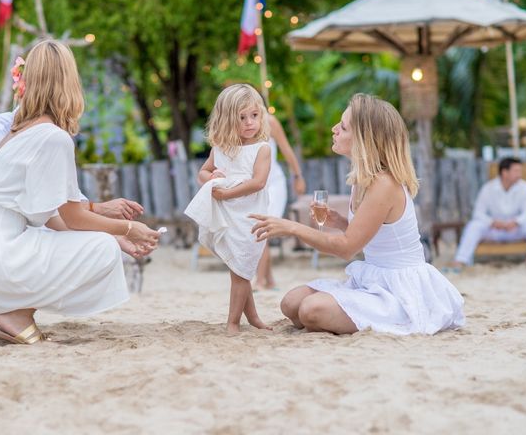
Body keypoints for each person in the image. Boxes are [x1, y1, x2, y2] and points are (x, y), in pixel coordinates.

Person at [0, 40, 160, 344]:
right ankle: (14, 313)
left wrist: (117, 237)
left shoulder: (16, 130)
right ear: (68, 82)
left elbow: (52, 218)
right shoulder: (52, 137)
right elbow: (72, 216)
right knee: (101, 252)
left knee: (101, 242)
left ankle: (0, 306)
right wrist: (128, 228)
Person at [250, 94, 465, 335]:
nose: (334, 129)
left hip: (400, 288)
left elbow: (346, 248)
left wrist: (292, 227)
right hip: (373, 278)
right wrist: (341, 222)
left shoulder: (384, 184)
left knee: (311, 310)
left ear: (364, 140)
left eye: (342, 127)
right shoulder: (361, 180)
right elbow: (369, 235)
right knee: (290, 303)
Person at [0, 109, 148, 258]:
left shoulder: (43, 134)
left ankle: (2, 306)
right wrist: (120, 225)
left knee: (97, 243)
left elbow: (56, 206)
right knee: (94, 249)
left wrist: (113, 234)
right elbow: (49, 205)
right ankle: (2, 303)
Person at [185, 84, 271, 334]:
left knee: (241, 268)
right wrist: (212, 179)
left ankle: (234, 321)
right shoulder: (221, 148)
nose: (249, 123)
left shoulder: (262, 148)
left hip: (249, 215)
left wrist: (226, 193)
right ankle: (249, 318)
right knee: (239, 269)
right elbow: (203, 172)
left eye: (254, 116)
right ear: (226, 119)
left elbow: (258, 182)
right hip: (226, 216)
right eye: (241, 117)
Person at [450, 157, 526, 268]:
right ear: (505, 172)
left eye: (520, 171)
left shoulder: (525, 187)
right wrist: (493, 222)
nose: (520, 174)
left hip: (515, 229)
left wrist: (516, 222)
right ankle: (461, 260)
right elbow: (478, 213)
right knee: (474, 226)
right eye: (516, 171)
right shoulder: (488, 188)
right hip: (494, 230)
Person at [254, 115, 306, 290]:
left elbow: (287, 150)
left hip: (273, 183)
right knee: (257, 227)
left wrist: (298, 176)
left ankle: (260, 281)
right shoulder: (239, 124)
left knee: (262, 227)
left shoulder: (270, 122)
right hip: (255, 184)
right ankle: (269, 280)